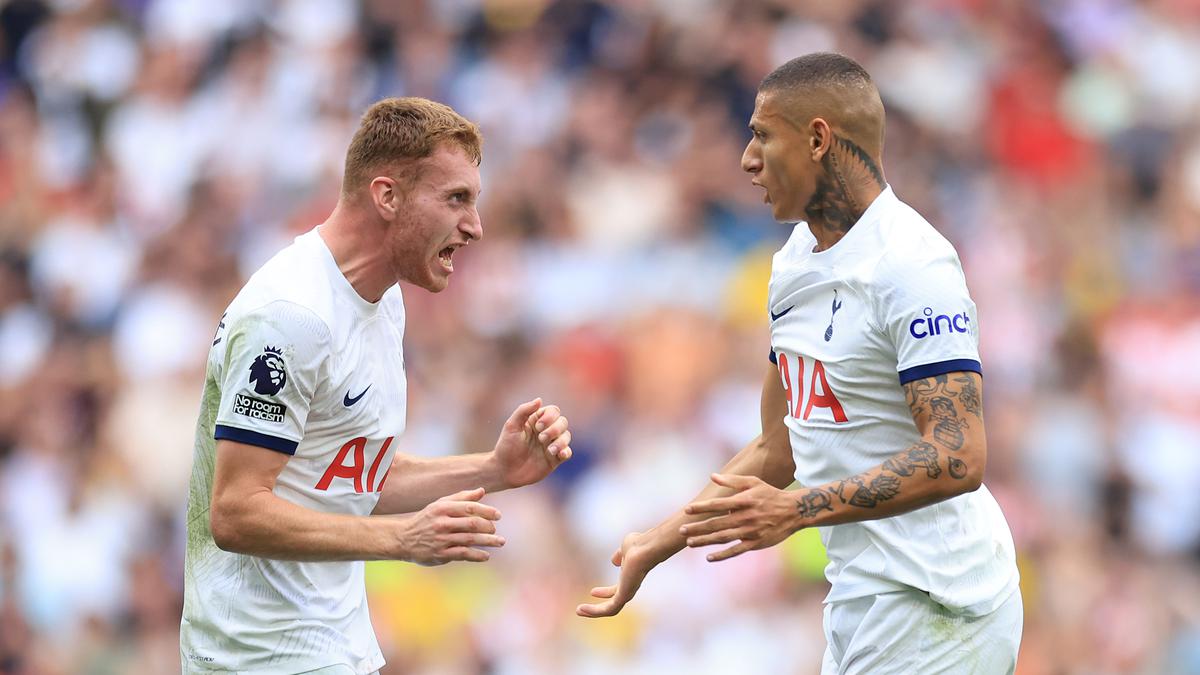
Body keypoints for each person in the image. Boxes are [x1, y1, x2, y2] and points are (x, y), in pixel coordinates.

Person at [577, 53, 1022, 673]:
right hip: (861, 599)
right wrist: (659, 541)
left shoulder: (912, 265)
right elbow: (779, 447)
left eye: (762, 135)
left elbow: (958, 454)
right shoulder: (792, 264)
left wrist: (798, 510)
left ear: (817, 138)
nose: (746, 159)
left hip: (942, 600)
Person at [181, 97, 573, 675]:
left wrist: (492, 470)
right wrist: (400, 539)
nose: (475, 226)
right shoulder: (292, 316)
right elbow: (236, 512)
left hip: (336, 649)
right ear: (387, 196)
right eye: (456, 198)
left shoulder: (382, 298)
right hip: (256, 659)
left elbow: (344, 475)